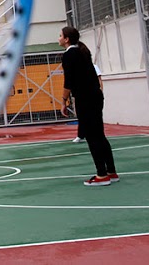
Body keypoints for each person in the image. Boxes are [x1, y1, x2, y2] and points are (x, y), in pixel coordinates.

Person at [59, 26, 118, 186]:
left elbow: (68, 81)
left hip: (86, 98)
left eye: (60, 36)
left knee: (92, 137)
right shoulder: (82, 52)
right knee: (99, 134)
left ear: (67, 39)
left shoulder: (69, 55)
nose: (58, 38)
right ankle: (111, 171)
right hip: (96, 96)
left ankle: (101, 175)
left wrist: (63, 100)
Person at [72, 62, 102, 143]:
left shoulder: (94, 67)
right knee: (82, 116)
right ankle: (80, 135)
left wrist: (100, 91)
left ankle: (96, 134)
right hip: (82, 95)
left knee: (95, 115)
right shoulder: (77, 68)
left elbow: (99, 80)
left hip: (94, 94)